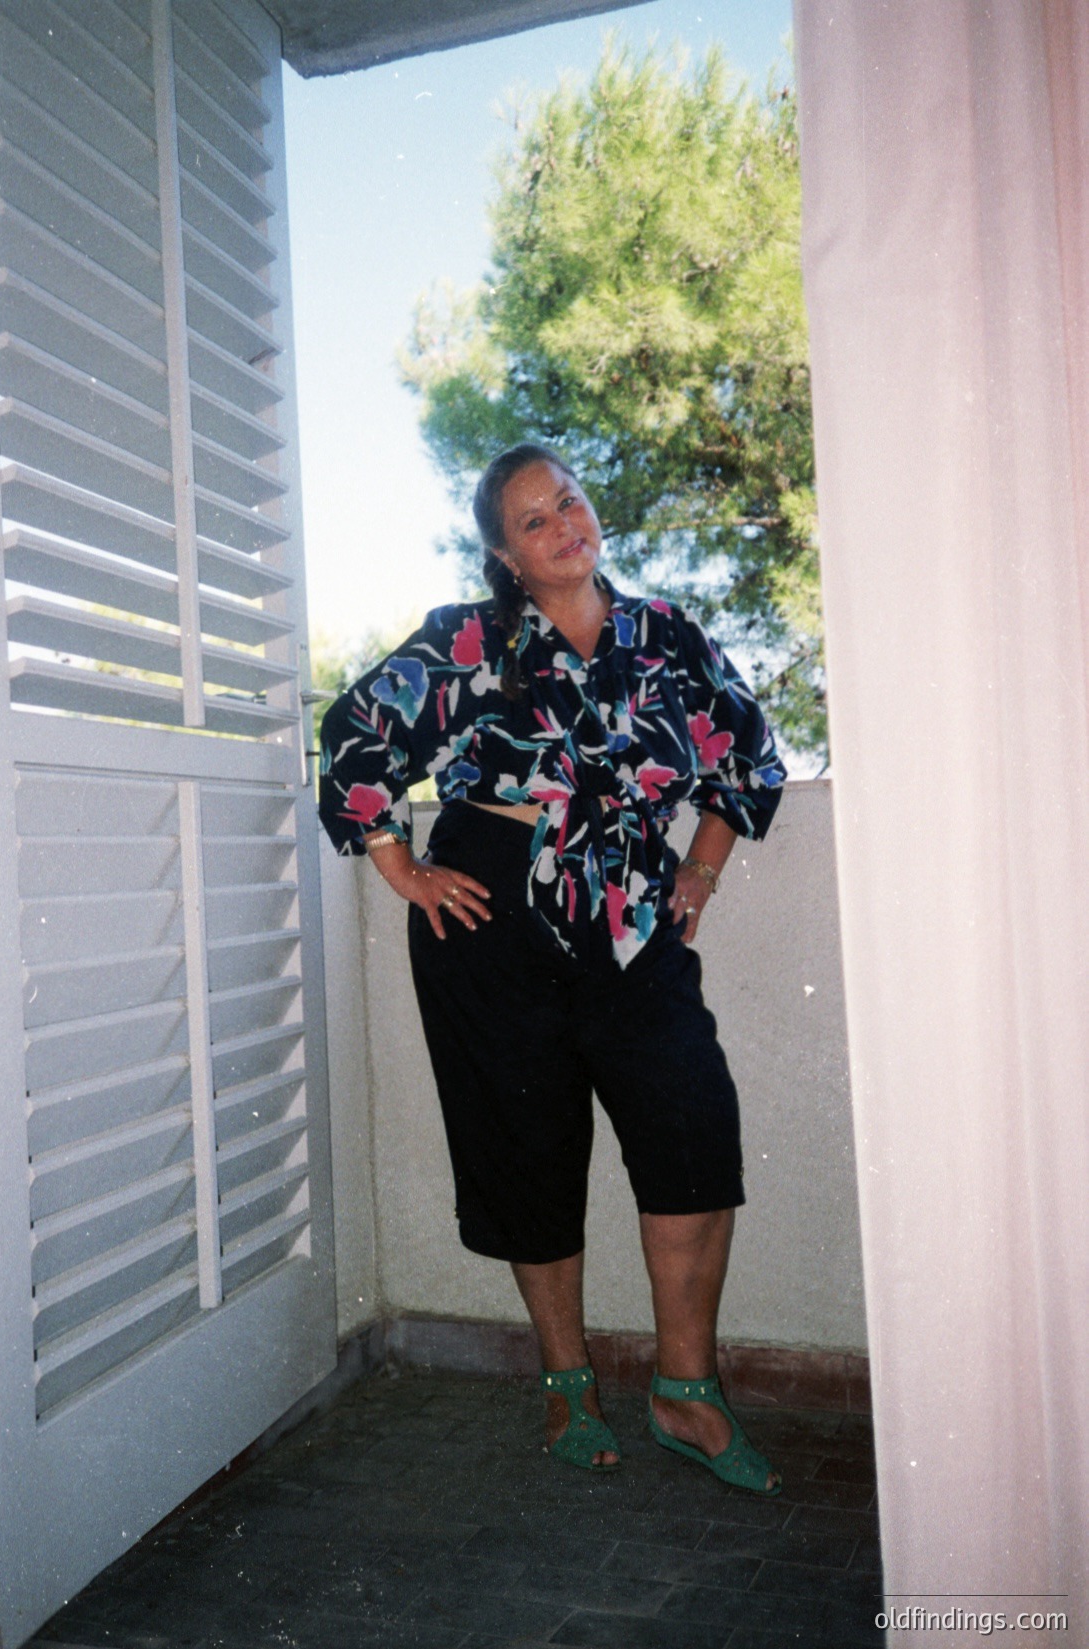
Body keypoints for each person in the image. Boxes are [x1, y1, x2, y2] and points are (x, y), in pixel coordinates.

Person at [318, 443, 787, 1492]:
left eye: (568, 501)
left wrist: (700, 869)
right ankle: (567, 1385)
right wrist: (402, 866)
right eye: (534, 520)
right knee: (525, 1152)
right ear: (505, 554)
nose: (563, 525)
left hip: (631, 914)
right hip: (490, 914)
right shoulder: (467, 640)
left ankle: (685, 1392)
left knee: (689, 1129)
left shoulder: (666, 635)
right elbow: (353, 735)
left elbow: (748, 757)